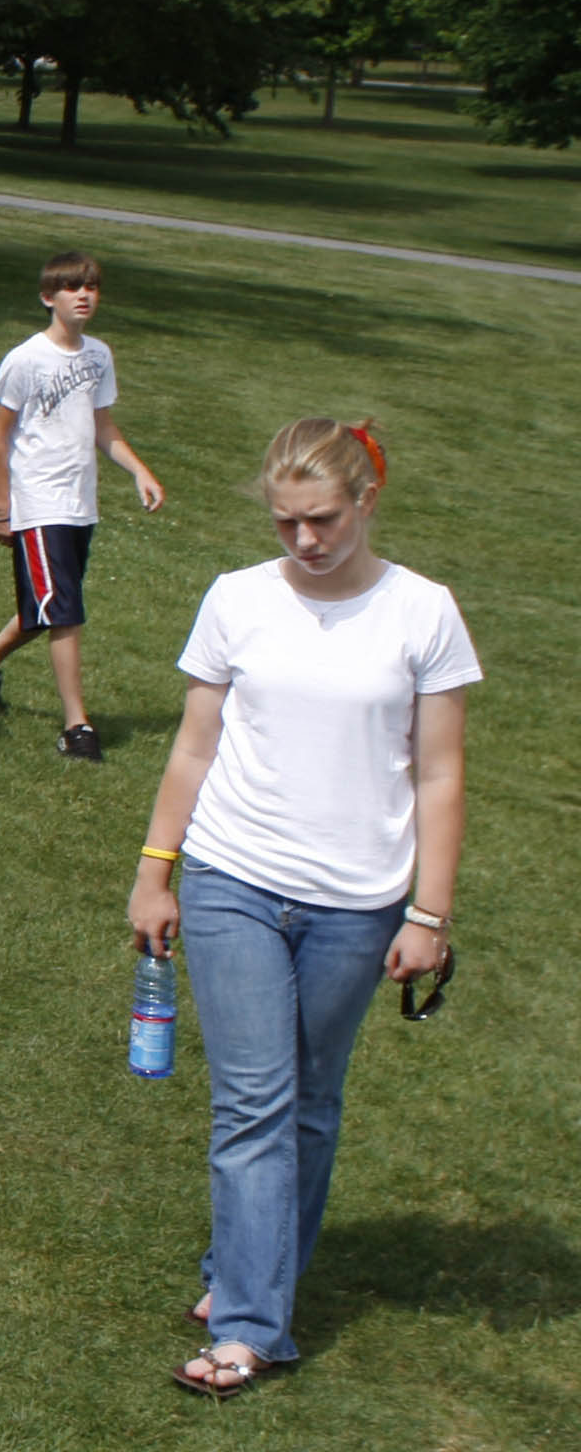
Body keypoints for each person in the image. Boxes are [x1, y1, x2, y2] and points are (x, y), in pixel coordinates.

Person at [129, 420, 471, 1400]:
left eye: (320, 519)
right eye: (283, 522)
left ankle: (242, 1269)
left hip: (357, 903)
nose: (303, 541)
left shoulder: (422, 613)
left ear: (365, 501)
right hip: (230, 876)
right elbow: (192, 745)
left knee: (308, 1106)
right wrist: (155, 869)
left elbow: (441, 774)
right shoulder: (236, 599)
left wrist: (428, 915)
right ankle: (247, 1327)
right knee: (252, 1102)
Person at [0, 250, 166, 760]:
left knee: (47, 607)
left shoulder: (98, 356)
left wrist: (140, 470)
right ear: (49, 297)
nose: (84, 295)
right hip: (39, 502)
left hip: (79, 504)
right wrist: (4, 508)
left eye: (91, 286)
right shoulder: (27, 359)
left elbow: (104, 426)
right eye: (72, 287)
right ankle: (78, 728)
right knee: (64, 611)